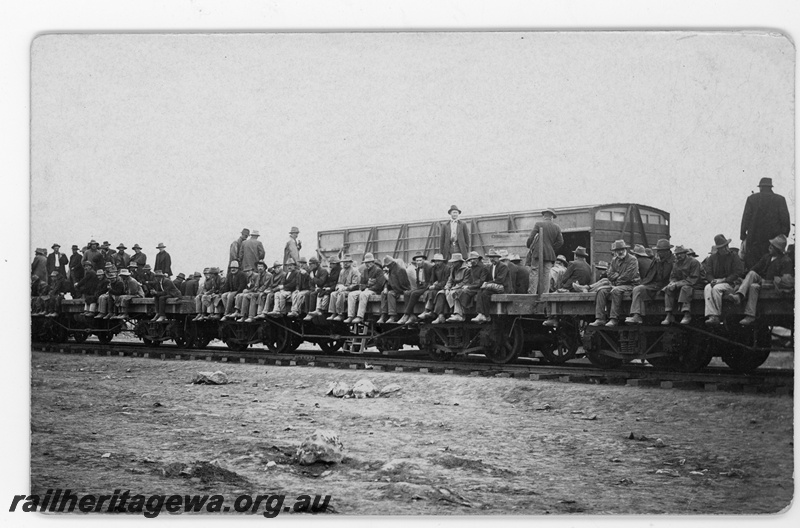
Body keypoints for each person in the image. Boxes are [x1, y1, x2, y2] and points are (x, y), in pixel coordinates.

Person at [731, 234, 794, 325]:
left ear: (778, 249)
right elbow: (754, 269)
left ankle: (750, 315)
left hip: (773, 287)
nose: (770, 247)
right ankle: (739, 296)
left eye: (773, 246)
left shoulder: (786, 261)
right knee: (752, 274)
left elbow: (786, 281)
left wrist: (770, 282)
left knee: (754, 286)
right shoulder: (767, 257)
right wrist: (742, 278)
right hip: (763, 283)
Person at [740, 177, 792, 269]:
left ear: (760, 187)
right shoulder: (780, 199)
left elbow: (746, 218)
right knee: (771, 262)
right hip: (773, 238)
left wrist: (743, 235)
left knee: (754, 264)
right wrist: (783, 235)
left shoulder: (752, 198)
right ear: (770, 187)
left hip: (754, 238)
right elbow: (785, 219)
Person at [588, 240, 640, 327]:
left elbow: (628, 276)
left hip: (631, 285)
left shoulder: (632, 260)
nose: (619, 252)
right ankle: (600, 319)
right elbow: (609, 274)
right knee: (601, 290)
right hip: (617, 284)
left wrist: (616, 278)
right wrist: (617, 277)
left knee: (616, 290)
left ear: (625, 249)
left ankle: (614, 319)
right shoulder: (614, 260)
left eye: (621, 249)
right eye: (617, 250)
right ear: (615, 251)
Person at [625, 239, 675, 325]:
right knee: (638, 289)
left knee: (667, 290)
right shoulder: (657, 260)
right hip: (655, 284)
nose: (658, 253)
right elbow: (650, 275)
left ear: (667, 251)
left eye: (660, 251)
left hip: (666, 284)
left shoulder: (674, 261)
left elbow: (672, 275)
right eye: (658, 251)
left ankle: (669, 315)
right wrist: (644, 283)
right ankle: (636, 316)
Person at [703, 234, 745, 325]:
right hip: (717, 282)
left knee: (716, 288)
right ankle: (712, 315)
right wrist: (712, 280)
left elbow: (738, 272)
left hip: (730, 283)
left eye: (726, 246)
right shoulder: (712, 258)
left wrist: (724, 280)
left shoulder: (734, 256)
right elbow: (708, 273)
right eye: (723, 247)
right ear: (718, 249)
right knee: (707, 287)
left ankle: (717, 315)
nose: (726, 249)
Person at [660, 245, 702, 325]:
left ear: (685, 253)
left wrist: (677, 284)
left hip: (695, 284)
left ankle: (687, 314)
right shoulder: (676, 263)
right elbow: (673, 276)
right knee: (668, 288)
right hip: (681, 284)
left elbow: (693, 278)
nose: (678, 256)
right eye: (677, 254)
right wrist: (672, 282)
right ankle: (669, 314)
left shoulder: (694, 262)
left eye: (681, 253)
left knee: (685, 288)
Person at [526, 208, 564, 294]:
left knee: (534, 271)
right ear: (552, 217)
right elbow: (561, 242)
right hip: (549, 254)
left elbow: (531, 238)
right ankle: (545, 294)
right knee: (547, 274)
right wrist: (551, 248)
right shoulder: (556, 227)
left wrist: (529, 245)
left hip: (537, 253)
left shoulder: (538, 224)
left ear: (544, 216)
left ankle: (532, 293)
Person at [345, 253, 385, 324]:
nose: (367, 264)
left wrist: (369, 288)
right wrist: (364, 286)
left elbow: (379, 285)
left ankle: (360, 316)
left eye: (369, 262)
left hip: (375, 291)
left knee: (363, 294)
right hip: (366, 290)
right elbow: (362, 282)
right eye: (366, 262)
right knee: (351, 294)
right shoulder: (365, 271)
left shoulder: (378, 270)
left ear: (373, 262)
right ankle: (350, 316)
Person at [448, 251, 487, 322]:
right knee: (457, 291)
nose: (472, 261)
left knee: (462, 292)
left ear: (478, 259)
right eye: (470, 260)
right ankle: (458, 313)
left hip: (479, 288)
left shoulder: (483, 267)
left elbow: (481, 281)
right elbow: (470, 280)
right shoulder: (472, 268)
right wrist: (467, 285)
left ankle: (462, 312)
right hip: (473, 287)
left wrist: (469, 287)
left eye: (474, 259)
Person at [475, 249, 511, 324]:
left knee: (485, 293)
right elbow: (492, 279)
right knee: (480, 291)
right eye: (490, 257)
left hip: (503, 288)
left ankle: (486, 315)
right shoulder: (491, 267)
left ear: (498, 258)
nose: (492, 259)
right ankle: (480, 313)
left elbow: (500, 280)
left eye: (494, 257)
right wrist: (486, 283)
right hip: (495, 286)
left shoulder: (503, 266)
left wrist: (487, 283)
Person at [397, 253, 433, 325]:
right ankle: (411, 315)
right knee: (407, 293)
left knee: (414, 293)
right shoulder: (417, 268)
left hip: (427, 287)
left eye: (420, 260)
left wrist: (428, 286)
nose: (419, 262)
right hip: (420, 287)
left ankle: (406, 314)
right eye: (417, 261)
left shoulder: (428, 267)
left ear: (424, 260)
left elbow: (431, 279)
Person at [377, 256, 412, 324]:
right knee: (383, 293)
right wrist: (386, 287)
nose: (387, 267)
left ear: (392, 263)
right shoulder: (391, 269)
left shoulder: (400, 270)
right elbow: (389, 282)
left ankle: (393, 315)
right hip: (394, 289)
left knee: (390, 293)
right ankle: (383, 314)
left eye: (388, 265)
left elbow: (404, 285)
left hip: (400, 290)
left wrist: (391, 285)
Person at [306, 256, 340, 321]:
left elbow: (321, 282)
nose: (310, 265)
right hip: (321, 288)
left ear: (316, 264)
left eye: (311, 264)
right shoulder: (311, 272)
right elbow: (310, 283)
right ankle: (308, 312)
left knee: (314, 294)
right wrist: (314, 288)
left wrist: (313, 278)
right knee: (308, 294)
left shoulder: (323, 271)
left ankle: (315, 311)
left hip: (327, 288)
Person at [328, 255, 361, 321]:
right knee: (333, 294)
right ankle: (333, 313)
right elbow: (339, 282)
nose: (345, 263)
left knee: (341, 294)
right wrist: (338, 287)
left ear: (351, 262)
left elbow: (355, 284)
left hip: (352, 290)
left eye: (347, 262)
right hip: (343, 289)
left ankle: (340, 314)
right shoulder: (342, 271)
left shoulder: (355, 271)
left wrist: (346, 288)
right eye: (344, 262)